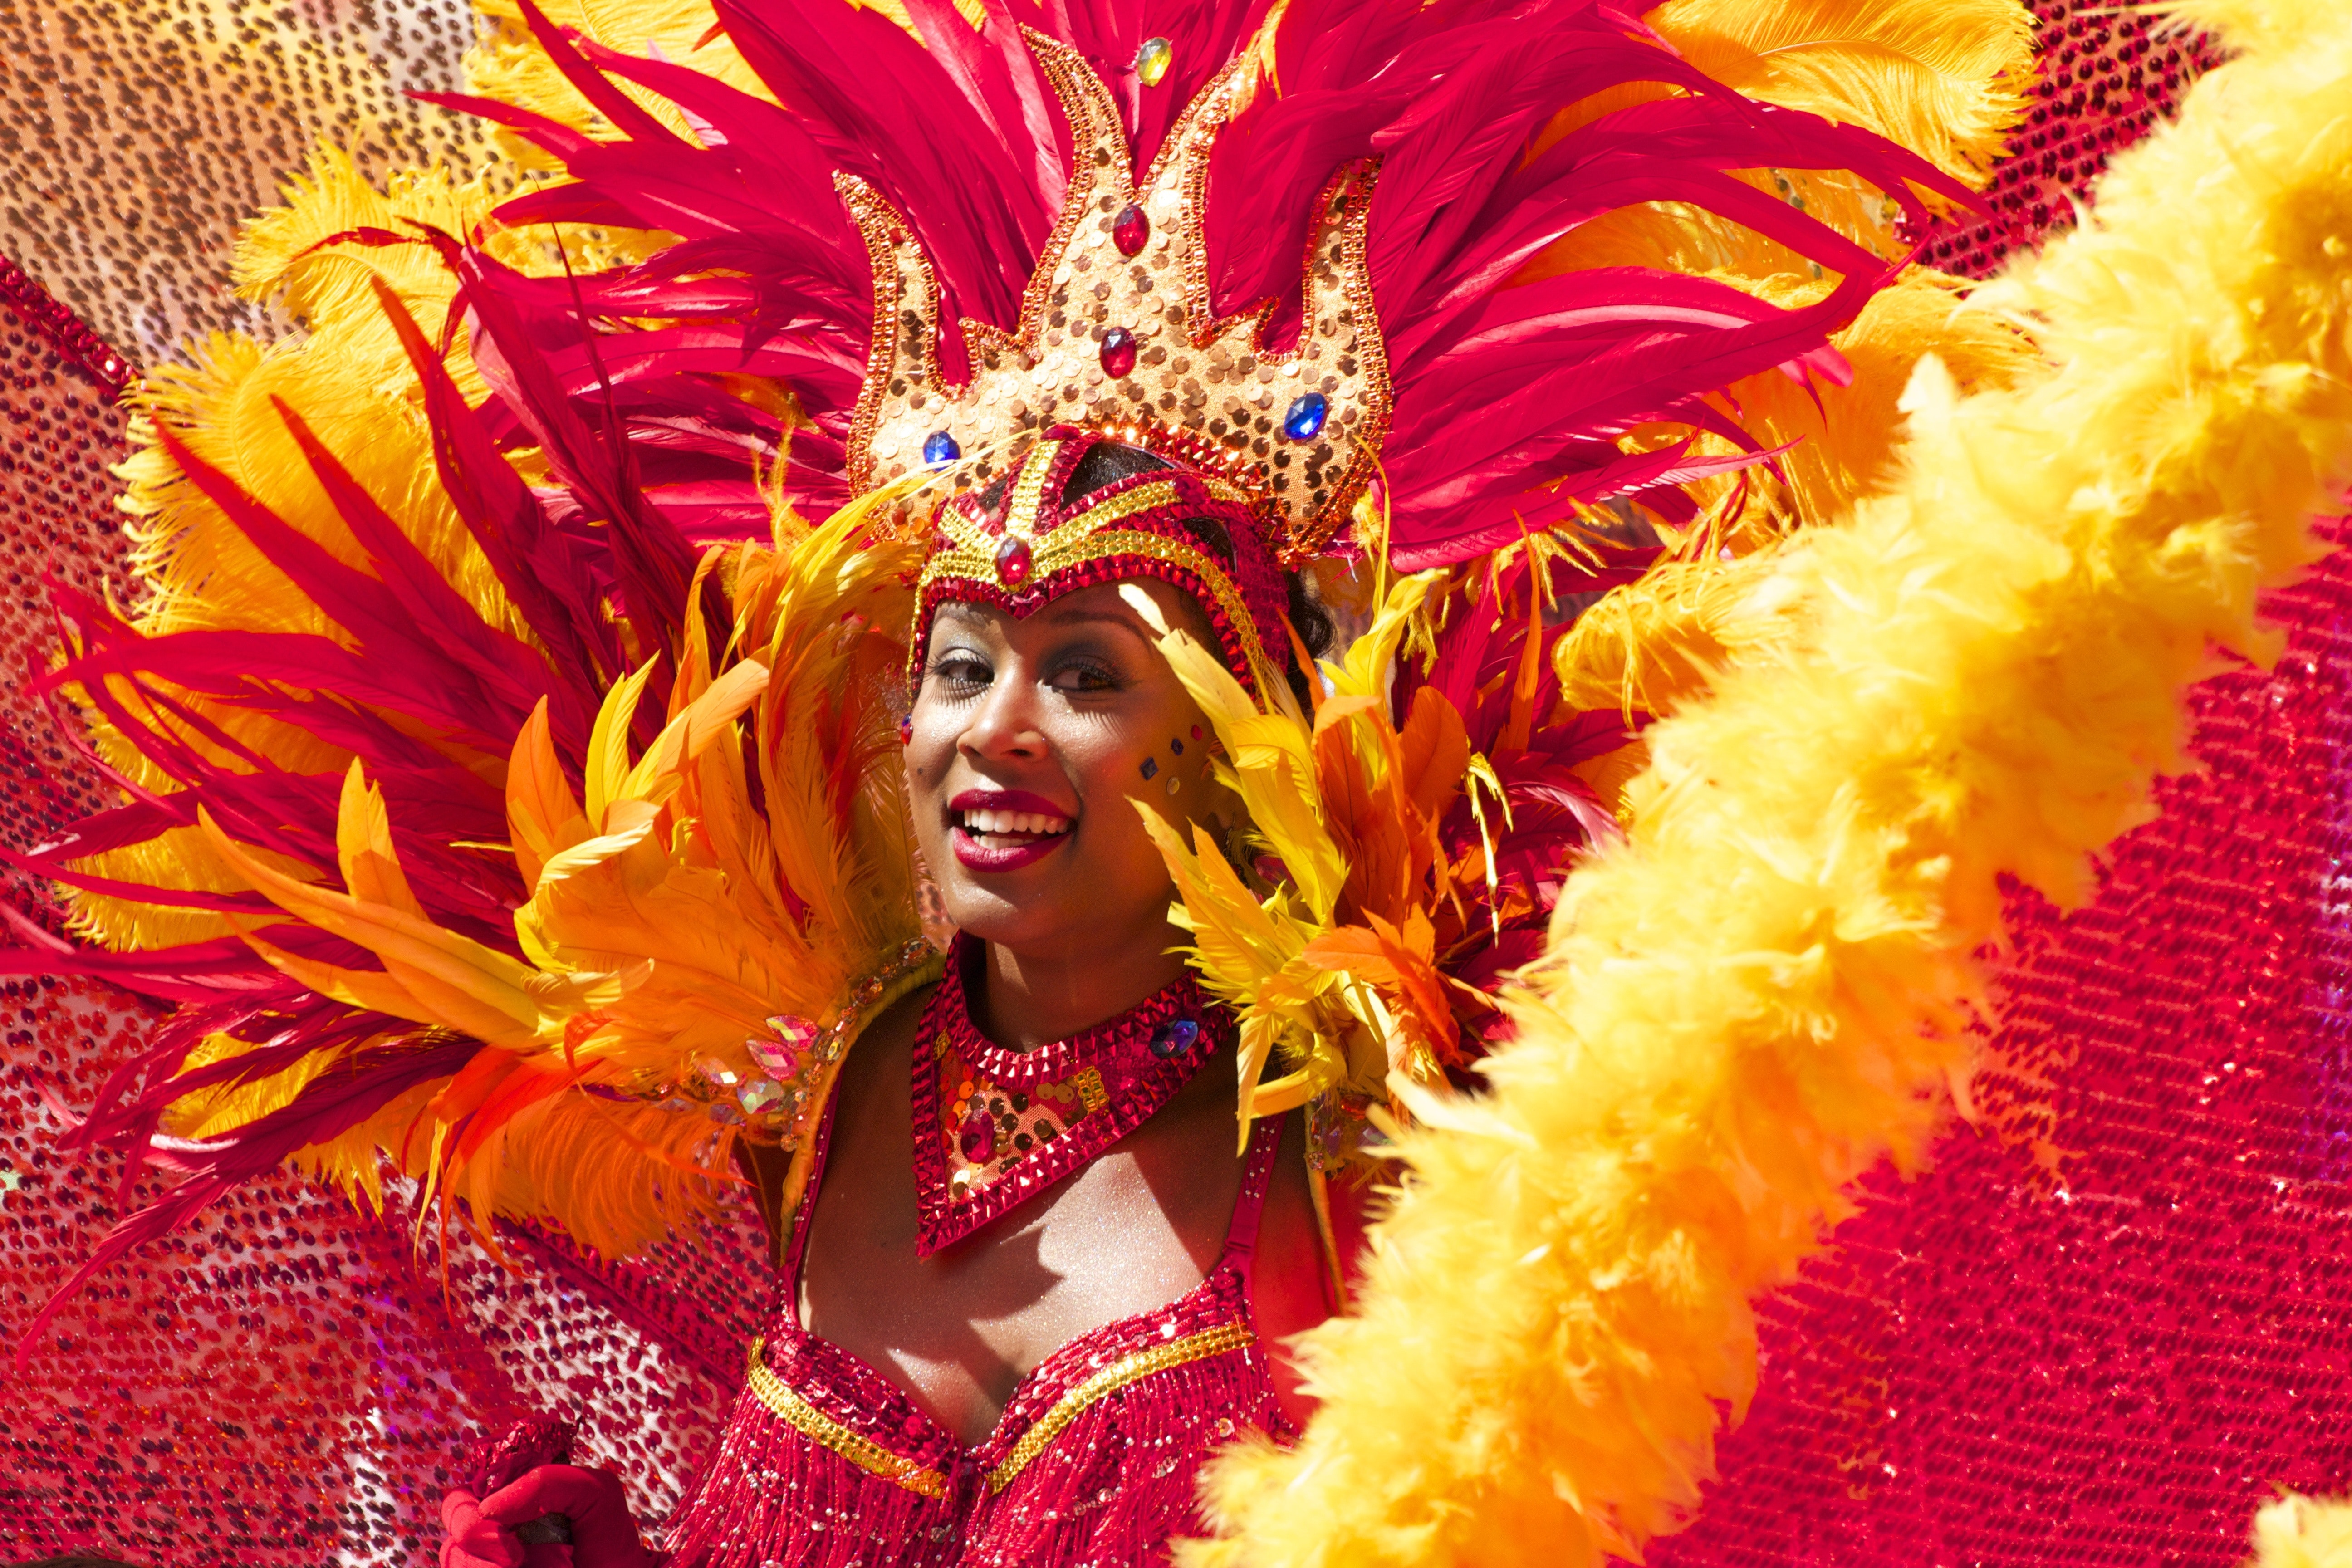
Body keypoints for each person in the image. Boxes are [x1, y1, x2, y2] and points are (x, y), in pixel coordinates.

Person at [2, 0, 2039, 1561]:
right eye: (963, 662)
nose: (992, 727)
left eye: (1086, 672)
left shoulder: (1358, 1154)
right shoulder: (841, 1070)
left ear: (1229, 733)